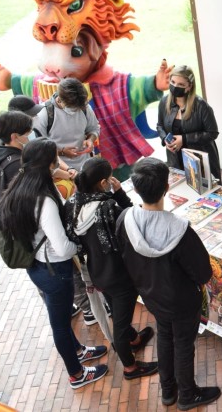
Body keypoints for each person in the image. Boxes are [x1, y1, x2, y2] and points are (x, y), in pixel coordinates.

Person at [0, 138, 108, 389]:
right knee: (61, 324)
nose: (59, 162)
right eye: (55, 158)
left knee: (62, 319)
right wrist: (81, 246)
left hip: (39, 267)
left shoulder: (22, 184)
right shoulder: (43, 201)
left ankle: (77, 351)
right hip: (54, 270)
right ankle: (76, 375)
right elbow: (63, 247)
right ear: (47, 163)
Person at [117, 158, 221, 409]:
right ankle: (187, 395)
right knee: (184, 344)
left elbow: (125, 255)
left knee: (165, 336)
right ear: (166, 188)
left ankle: (168, 390)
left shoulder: (125, 220)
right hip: (182, 301)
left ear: (136, 188)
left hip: (151, 295)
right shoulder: (180, 230)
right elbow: (203, 272)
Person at [64, 157, 158, 380]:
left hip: (97, 270)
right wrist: (119, 194)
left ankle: (134, 339)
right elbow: (134, 220)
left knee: (117, 311)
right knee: (121, 321)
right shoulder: (108, 207)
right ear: (104, 181)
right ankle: (130, 367)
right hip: (120, 273)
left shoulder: (72, 203)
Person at [156, 65, 221, 183]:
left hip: (200, 160)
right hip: (175, 159)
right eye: (173, 82)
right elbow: (160, 125)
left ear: (189, 87)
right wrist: (165, 139)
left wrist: (184, 139)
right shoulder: (164, 101)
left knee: (204, 191)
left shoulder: (201, 106)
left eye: (181, 85)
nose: (175, 86)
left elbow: (212, 133)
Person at [34, 77, 100, 170]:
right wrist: (62, 152)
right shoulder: (44, 114)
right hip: (59, 169)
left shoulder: (84, 107)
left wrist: (90, 140)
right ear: (59, 100)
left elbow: (94, 128)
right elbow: (38, 148)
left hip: (84, 165)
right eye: (72, 108)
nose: (75, 111)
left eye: (78, 108)